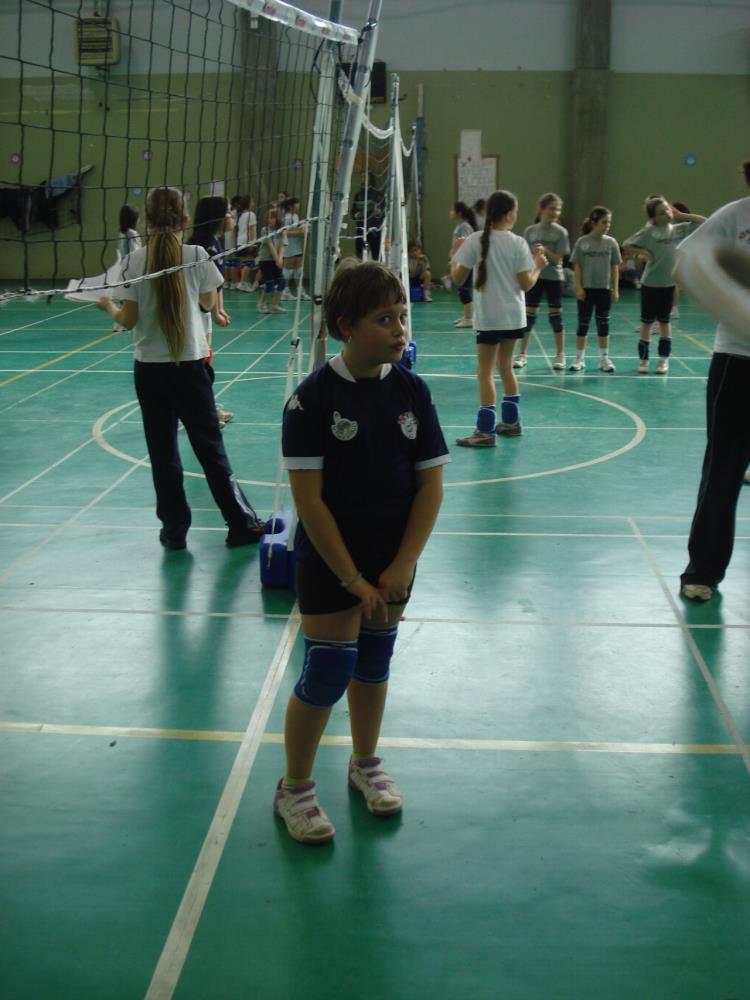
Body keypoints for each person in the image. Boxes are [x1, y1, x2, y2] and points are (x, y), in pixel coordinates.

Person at [276, 259, 449, 844]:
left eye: (402, 316)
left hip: (393, 559)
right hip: (332, 562)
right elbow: (310, 503)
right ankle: (294, 787)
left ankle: (365, 763)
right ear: (346, 327)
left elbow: (430, 487)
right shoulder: (311, 401)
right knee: (328, 670)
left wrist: (402, 565)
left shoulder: (412, 391)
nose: (400, 329)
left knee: (374, 664)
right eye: (384, 319)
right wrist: (352, 578)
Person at [96, 186, 264, 550]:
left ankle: (174, 530)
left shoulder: (133, 262)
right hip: (189, 367)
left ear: (147, 221)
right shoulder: (197, 255)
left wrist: (107, 306)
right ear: (184, 221)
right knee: (210, 449)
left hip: (150, 371)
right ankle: (241, 523)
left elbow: (128, 320)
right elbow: (207, 303)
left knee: (163, 453)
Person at [676, 160, 750, 602]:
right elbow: (684, 266)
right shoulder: (734, 216)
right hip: (738, 362)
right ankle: (703, 569)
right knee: (723, 470)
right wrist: (732, 305)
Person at [451, 189, 547, 447]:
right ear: (509, 214)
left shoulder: (475, 240)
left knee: (485, 372)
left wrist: (454, 254)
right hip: (514, 317)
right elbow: (526, 284)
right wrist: (538, 265)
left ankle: (485, 432)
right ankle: (512, 423)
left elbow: (457, 278)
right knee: (505, 367)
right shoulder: (518, 243)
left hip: (490, 317)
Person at [623, 196, 705, 374]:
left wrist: (682, 215)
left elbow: (704, 222)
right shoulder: (649, 232)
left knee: (664, 323)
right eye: (661, 212)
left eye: (667, 209)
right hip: (649, 284)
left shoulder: (679, 229)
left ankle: (663, 360)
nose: (667, 213)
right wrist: (642, 251)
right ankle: (644, 360)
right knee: (646, 323)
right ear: (653, 218)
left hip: (668, 285)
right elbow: (626, 244)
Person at [186, 195, 234, 429]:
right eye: (228, 212)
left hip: (205, 312)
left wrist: (220, 308)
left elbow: (217, 282)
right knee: (198, 365)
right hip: (195, 314)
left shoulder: (215, 242)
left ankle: (207, 407)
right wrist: (214, 311)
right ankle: (203, 411)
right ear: (217, 217)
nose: (231, 216)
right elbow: (205, 285)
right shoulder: (201, 246)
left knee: (204, 362)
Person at [513, 192, 570, 371]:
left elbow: (559, 258)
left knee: (556, 319)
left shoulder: (561, 232)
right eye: (552, 209)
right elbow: (524, 256)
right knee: (528, 318)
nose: (555, 213)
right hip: (535, 277)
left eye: (558, 210)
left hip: (554, 278)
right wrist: (534, 254)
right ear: (542, 209)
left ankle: (560, 355)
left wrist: (545, 251)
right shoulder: (530, 231)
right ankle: (522, 354)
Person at [568, 206, 621, 372]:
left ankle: (604, 359)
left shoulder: (611, 243)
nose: (607, 225)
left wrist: (615, 289)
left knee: (603, 324)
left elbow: (615, 267)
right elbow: (577, 267)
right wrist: (579, 288)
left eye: (609, 222)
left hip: (604, 289)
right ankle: (579, 358)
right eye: (604, 222)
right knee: (583, 323)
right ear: (594, 223)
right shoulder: (582, 242)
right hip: (586, 290)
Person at [112, 205, 142, 331]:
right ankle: (124, 322)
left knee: (125, 296)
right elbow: (135, 252)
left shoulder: (122, 233)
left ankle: (119, 324)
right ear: (134, 219)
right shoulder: (132, 234)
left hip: (122, 267)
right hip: (131, 268)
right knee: (131, 296)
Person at [449, 201, 477, 328]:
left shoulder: (465, 226)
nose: (450, 212)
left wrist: (457, 257)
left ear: (458, 212)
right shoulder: (460, 226)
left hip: (466, 262)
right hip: (460, 260)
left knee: (464, 289)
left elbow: (465, 243)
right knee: (462, 289)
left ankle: (469, 318)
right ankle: (467, 315)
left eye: (452, 209)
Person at [256, 206, 287, 314]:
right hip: (265, 260)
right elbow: (270, 246)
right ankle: (261, 304)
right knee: (270, 283)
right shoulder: (265, 230)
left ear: (277, 218)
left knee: (281, 282)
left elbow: (283, 245)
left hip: (276, 259)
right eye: (268, 218)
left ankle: (274, 305)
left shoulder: (282, 230)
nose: (270, 220)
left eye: (272, 217)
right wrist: (277, 259)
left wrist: (280, 258)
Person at [280, 196, 310, 302]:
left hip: (297, 246)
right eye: (296, 203)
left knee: (299, 270)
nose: (299, 205)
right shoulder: (286, 217)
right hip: (288, 246)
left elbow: (295, 229)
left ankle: (300, 291)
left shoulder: (295, 216)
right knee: (287, 271)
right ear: (290, 206)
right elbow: (284, 232)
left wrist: (304, 230)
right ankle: (285, 292)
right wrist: (300, 232)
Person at [351, 171, 385, 261]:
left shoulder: (379, 195)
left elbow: (383, 213)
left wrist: (378, 213)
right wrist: (358, 214)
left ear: (371, 178)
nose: (362, 179)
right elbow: (353, 213)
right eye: (362, 177)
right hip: (361, 229)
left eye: (365, 177)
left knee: (376, 256)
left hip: (375, 229)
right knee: (359, 256)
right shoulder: (358, 195)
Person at [235, 195, 258, 292]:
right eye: (252, 201)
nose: (254, 203)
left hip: (240, 241)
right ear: (248, 203)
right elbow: (251, 229)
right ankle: (242, 283)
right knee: (249, 263)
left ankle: (245, 282)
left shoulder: (241, 215)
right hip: (247, 242)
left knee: (245, 263)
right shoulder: (251, 214)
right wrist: (251, 243)